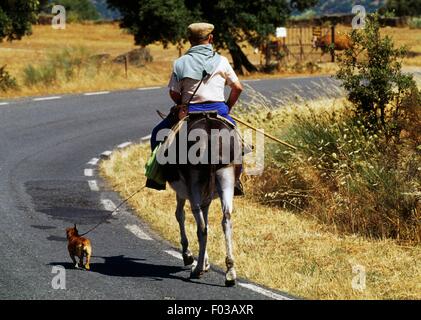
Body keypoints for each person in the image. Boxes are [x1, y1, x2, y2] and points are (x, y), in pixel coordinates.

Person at [148, 22, 244, 194]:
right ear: (211, 38)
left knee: (158, 133)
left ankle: (158, 177)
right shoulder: (222, 61)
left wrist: (181, 103)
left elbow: (174, 93)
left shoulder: (180, 63)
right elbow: (237, 88)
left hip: (189, 112)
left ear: (189, 40)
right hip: (218, 111)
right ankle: (236, 181)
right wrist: (227, 107)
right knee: (238, 142)